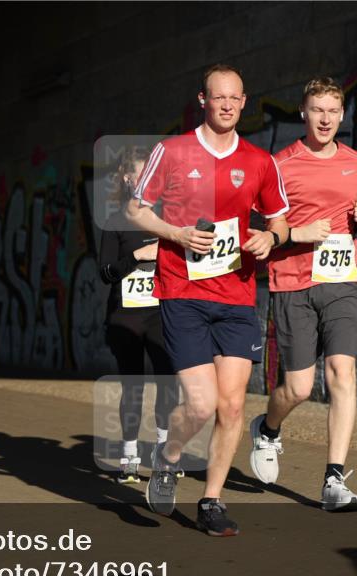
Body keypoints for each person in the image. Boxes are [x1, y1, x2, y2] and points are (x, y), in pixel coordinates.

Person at [127, 64, 290, 536]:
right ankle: (168, 456)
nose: (226, 105)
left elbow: (279, 218)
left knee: (233, 407)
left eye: (234, 98)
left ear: (244, 101)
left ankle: (212, 500)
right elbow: (134, 210)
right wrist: (175, 232)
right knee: (200, 404)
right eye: (218, 97)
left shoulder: (260, 161)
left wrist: (270, 240)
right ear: (203, 99)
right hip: (184, 291)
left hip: (237, 295)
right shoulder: (172, 151)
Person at [248, 77, 357, 512]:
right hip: (293, 283)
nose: (325, 119)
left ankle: (333, 481)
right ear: (303, 112)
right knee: (298, 388)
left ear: (342, 114)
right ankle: (267, 429)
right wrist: (299, 232)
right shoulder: (278, 165)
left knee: (342, 372)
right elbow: (257, 230)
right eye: (317, 110)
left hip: (343, 284)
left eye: (332, 111)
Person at [99, 146, 179, 483]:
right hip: (126, 315)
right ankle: (129, 456)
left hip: (161, 312)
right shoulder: (115, 219)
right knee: (133, 387)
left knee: (168, 382)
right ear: (126, 178)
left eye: (151, 174)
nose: (145, 180)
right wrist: (139, 255)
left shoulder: (166, 217)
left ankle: (163, 453)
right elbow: (105, 272)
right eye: (138, 174)